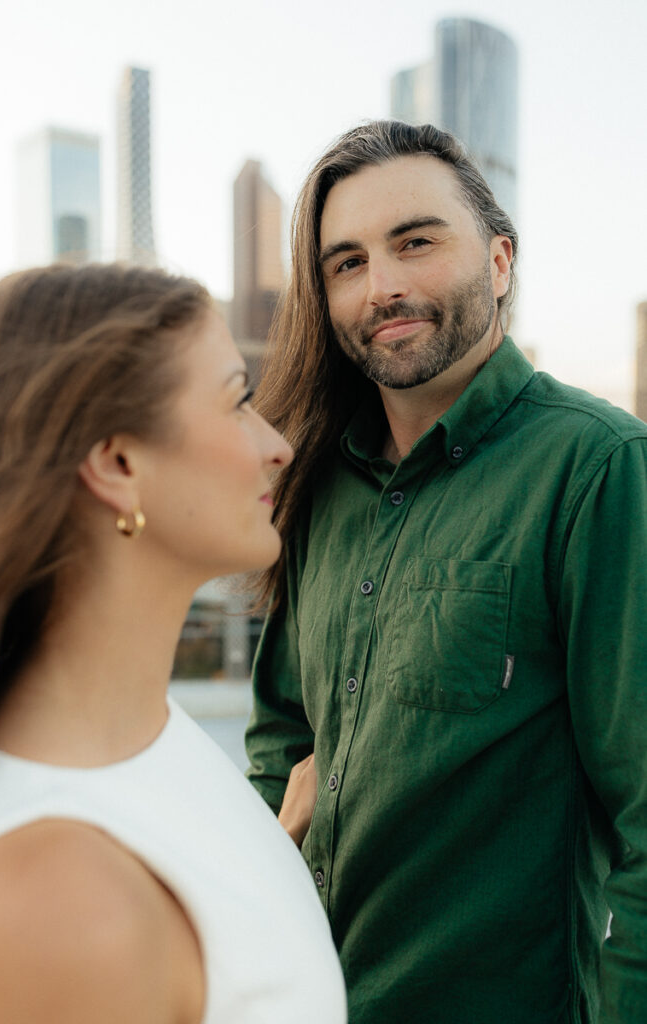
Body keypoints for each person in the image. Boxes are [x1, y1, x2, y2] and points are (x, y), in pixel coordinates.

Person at [245, 121, 647, 1023]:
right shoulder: (317, 482)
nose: (381, 285)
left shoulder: (596, 468)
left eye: (415, 243)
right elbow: (279, 741)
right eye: (344, 263)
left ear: (499, 260)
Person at [0, 263, 347, 1024]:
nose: (275, 444)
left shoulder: (145, 736)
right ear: (118, 464)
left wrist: (269, 848)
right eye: (238, 399)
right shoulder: (58, 908)